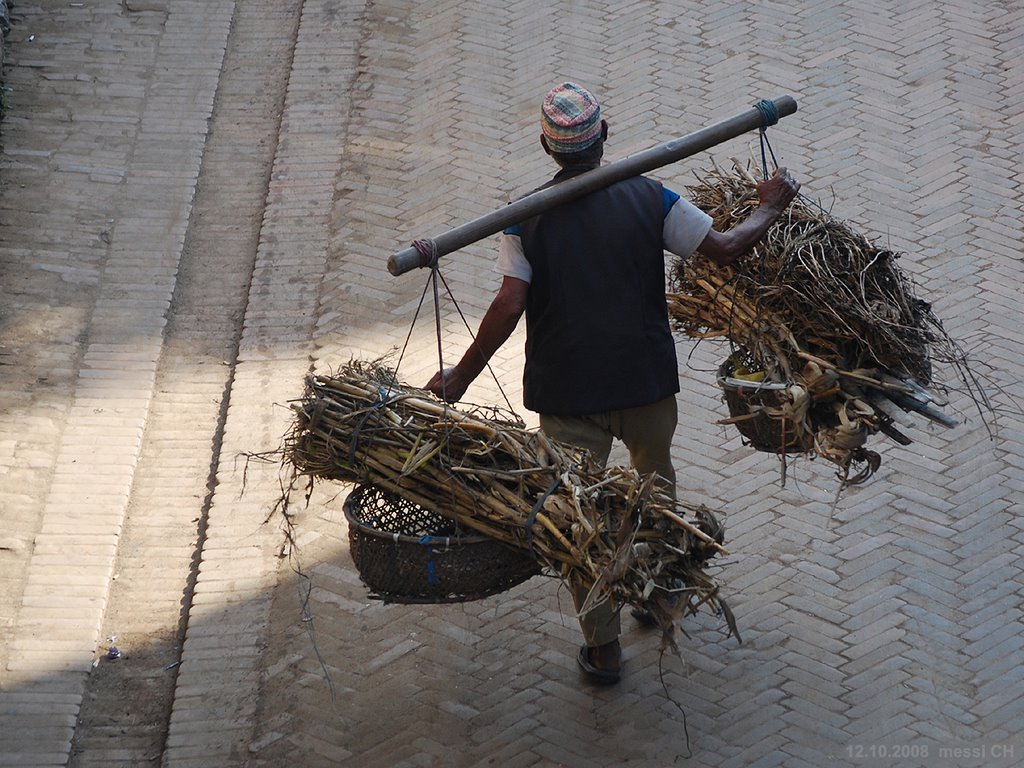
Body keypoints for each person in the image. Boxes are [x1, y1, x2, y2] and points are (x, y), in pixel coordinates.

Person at [426, 82, 799, 684]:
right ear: (604, 135)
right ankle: (661, 596)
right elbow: (726, 248)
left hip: (568, 393)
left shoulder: (524, 221)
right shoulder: (652, 199)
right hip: (645, 385)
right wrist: (771, 205)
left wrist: (460, 376)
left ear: (548, 148)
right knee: (656, 491)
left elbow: (508, 304)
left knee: (580, 519)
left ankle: (603, 650)